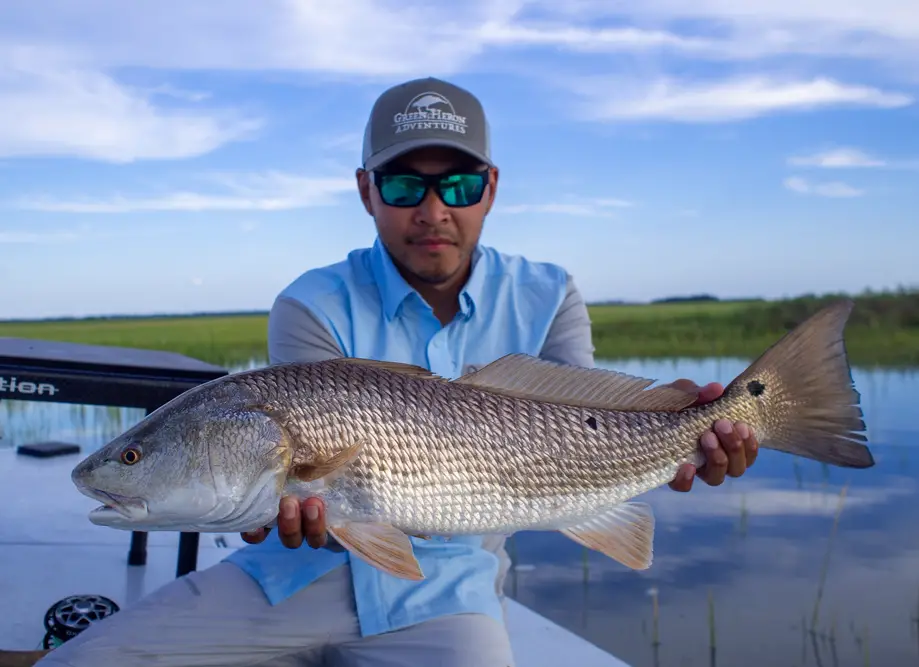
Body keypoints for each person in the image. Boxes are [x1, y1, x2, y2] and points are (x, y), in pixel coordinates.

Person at [36, 76, 758, 667]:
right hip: (289, 580)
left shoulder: (549, 293)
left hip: (450, 594)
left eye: (459, 185)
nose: (433, 210)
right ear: (366, 190)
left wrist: (687, 435)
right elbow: (302, 507)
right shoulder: (310, 303)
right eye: (405, 186)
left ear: (491, 187)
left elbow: (595, 427)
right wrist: (265, 510)